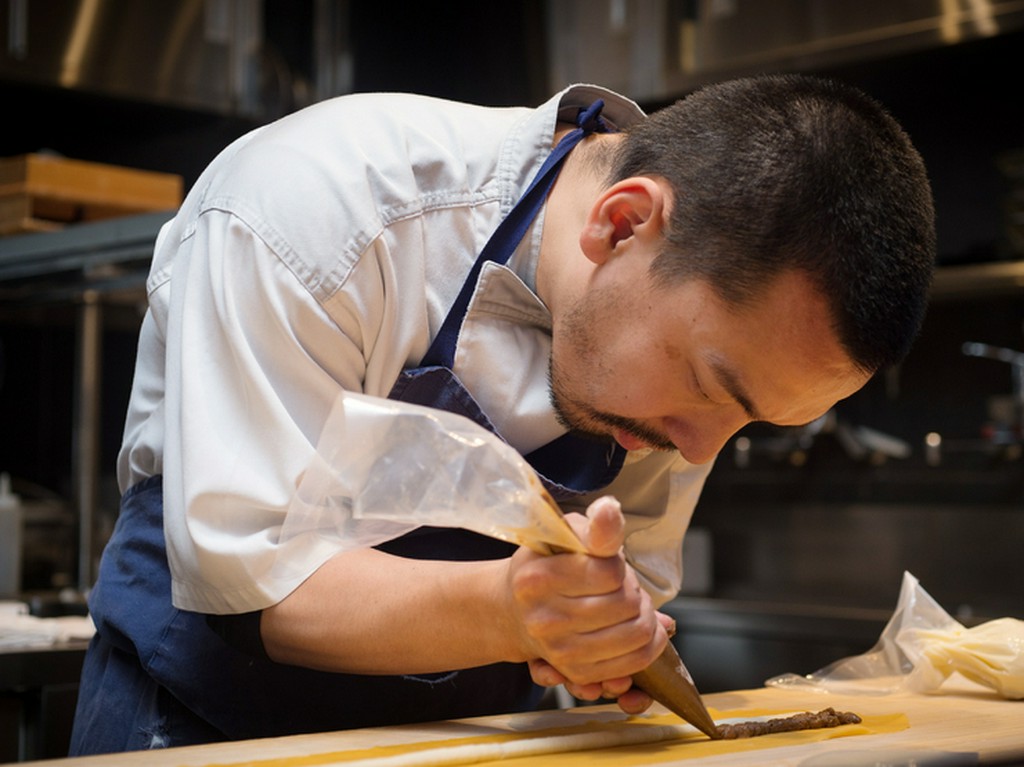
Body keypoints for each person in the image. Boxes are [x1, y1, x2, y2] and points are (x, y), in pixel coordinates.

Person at [70, 74, 935, 755]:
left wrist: (601, 632)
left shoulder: (690, 345)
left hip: (476, 743)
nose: (699, 445)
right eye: (713, 386)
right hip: (199, 725)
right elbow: (248, 580)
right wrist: (512, 611)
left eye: (750, 424)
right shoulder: (319, 210)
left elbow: (619, 572)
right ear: (624, 223)